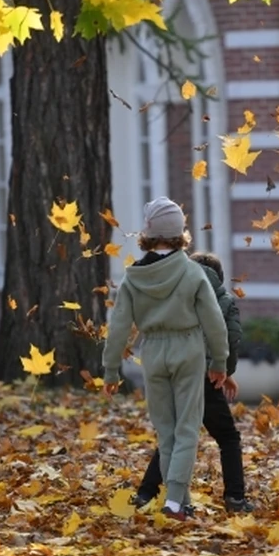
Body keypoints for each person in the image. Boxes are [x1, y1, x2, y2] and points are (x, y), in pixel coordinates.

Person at [102, 197, 229, 520]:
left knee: (167, 430)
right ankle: (174, 501)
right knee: (187, 427)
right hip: (188, 348)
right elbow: (214, 321)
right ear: (180, 234)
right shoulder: (193, 273)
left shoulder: (134, 277)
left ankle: (179, 500)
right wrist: (219, 363)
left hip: (153, 351)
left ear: (148, 233)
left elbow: (118, 326)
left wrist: (111, 370)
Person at [133, 251, 255, 513]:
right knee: (228, 438)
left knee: (173, 435)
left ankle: (146, 493)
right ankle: (235, 497)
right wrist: (224, 371)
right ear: (219, 278)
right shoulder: (223, 300)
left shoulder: (176, 294)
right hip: (206, 376)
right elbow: (229, 338)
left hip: (174, 370)